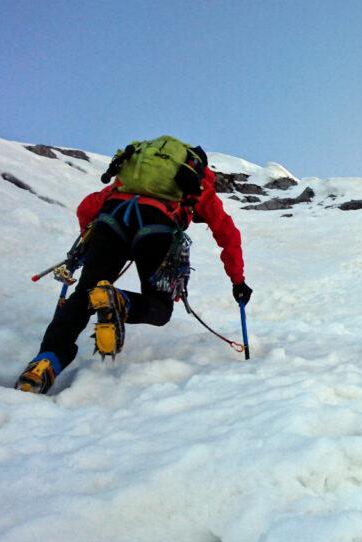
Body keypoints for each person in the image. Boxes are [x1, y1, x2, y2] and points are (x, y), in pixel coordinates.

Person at [15, 138, 253, 393]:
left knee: (84, 294)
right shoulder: (198, 184)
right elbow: (228, 234)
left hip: (111, 220)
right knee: (159, 308)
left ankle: (44, 364)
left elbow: (87, 207)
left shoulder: (132, 177)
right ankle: (119, 301)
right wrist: (238, 281)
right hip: (156, 227)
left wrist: (90, 246)